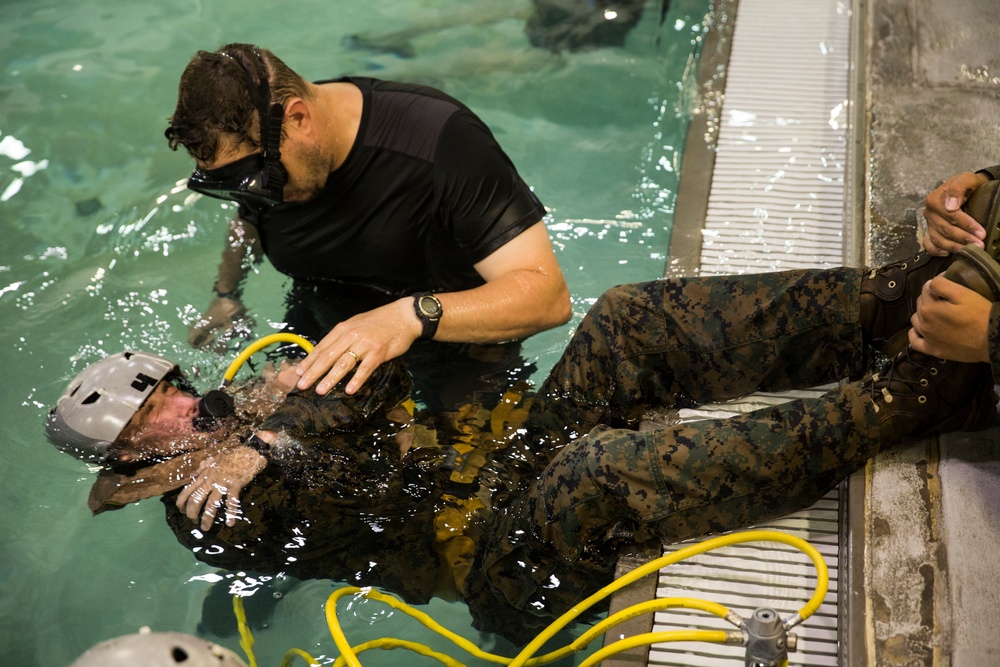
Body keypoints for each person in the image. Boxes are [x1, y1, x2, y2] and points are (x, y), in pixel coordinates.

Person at [46, 173, 1000, 643]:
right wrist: (273, 452)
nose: (179, 402)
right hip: (500, 563)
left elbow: (374, 384)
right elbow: (346, 493)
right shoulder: (213, 515)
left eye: (167, 385)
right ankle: (904, 397)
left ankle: (894, 302)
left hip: (507, 459)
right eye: (153, 418)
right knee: (597, 474)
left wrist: (270, 427)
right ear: (133, 469)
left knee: (628, 318)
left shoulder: (245, 406)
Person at [165, 43, 572, 409]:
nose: (263, 196)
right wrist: (226, 294)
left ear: (298, 118)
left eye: (262, 181)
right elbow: (248, 221)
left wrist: (409, 317)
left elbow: (548, 296)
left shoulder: (438, 140)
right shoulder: (262, 164)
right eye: (240, 186)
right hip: (320, 334)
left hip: (452, 351)